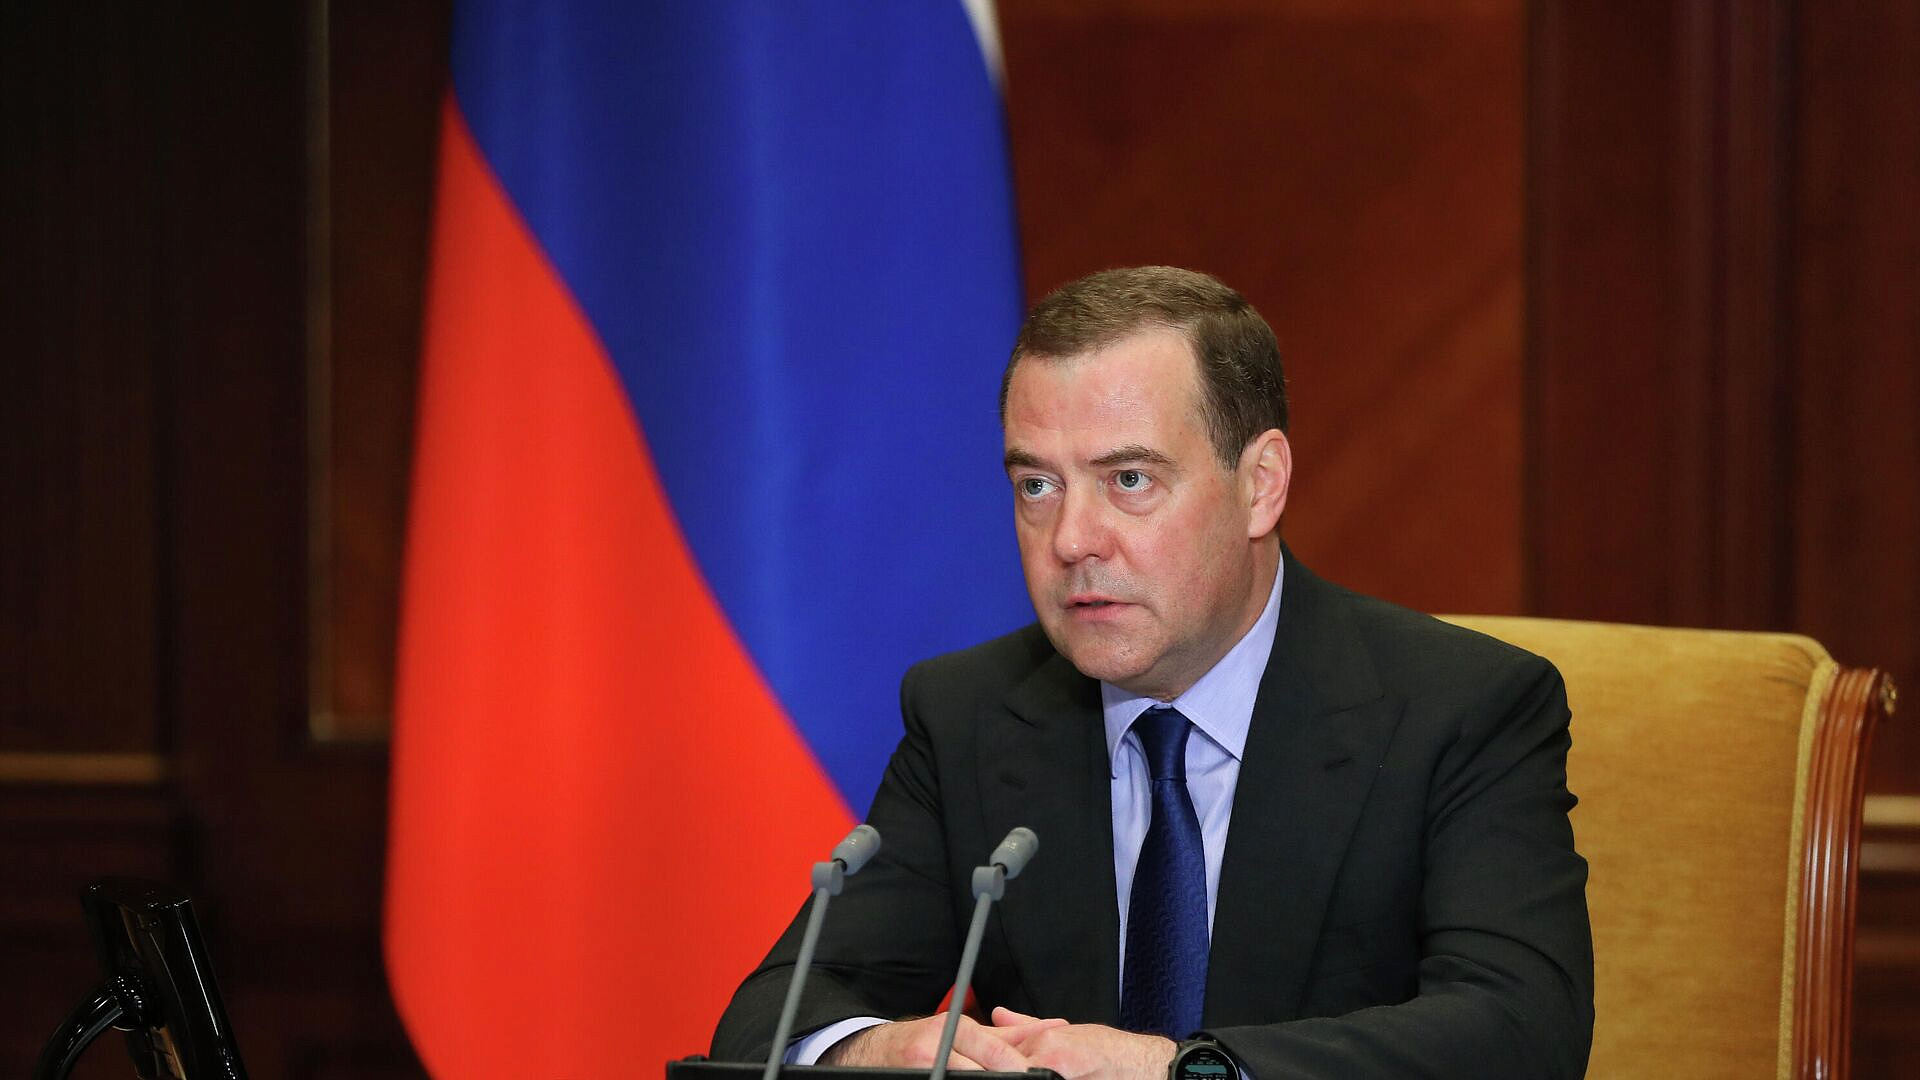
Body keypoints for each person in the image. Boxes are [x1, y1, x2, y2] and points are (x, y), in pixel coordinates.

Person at [711, 267, 1593, 1079]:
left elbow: (1521, 1029)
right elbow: (776, 1011)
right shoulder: (968, 715)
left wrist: (1182, 1072)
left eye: (1128, 479)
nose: (1071, 541)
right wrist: (874, 1050)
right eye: (1037, 486)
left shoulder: (1460, 709)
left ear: (1261, 485)